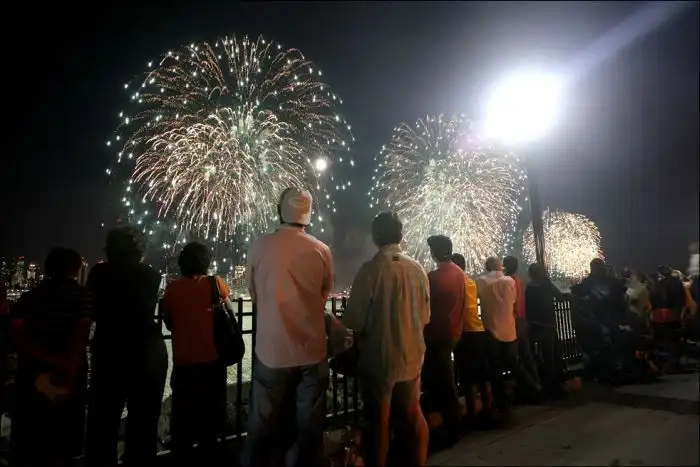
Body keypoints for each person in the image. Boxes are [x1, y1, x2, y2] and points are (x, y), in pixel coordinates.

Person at [240, 187, 333, 467]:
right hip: (312, 350)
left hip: (272, 351)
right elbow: (323, 296)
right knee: (309, 431)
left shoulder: (259, 246)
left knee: (261, 427)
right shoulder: (321, 250)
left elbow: (254, 294)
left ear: (279, 210)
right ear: (308, 214)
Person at [342, 212, 430, 467]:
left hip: (380, 356)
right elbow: (425, 316)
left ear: (376, 236)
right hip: (413, 354)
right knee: (413, 414)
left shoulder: (372, 269)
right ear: (400, 235)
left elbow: (354, 320)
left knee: (379, 421)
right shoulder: (417, 269)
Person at [85, 227, 168, 466]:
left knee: (103, 424)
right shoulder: (150, 274)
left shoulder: (99, 273)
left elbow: (92, 311)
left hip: (109, 351)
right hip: (148, 352)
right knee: (144, 425)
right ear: (140, 249)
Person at [10, 247, 92, 466]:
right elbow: (80, 335)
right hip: (68, 373)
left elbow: (16, 330)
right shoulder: (82, 296)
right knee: (65, 439)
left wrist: (41, 357)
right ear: (76, 269)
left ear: (48, 269)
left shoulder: (30, 297)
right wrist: (69, 374)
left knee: (32, 434)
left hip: (33, 372)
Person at [161, 242, 235, 464]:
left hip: (184, 366)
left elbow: (169, 323)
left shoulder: (172, 289)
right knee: (210, 424)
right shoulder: (216, 283)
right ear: (206, 262)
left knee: (182, 424)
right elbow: (230, 314)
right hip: (213, 364)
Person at [421, 235, 464, 446]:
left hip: (435, 335)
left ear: (435, 252)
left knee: (440, 383)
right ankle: (451, 425)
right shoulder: (459, 273)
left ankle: (450, 429)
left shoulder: (433, 277)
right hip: (453, 333)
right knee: (446, 381)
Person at [475, 257, 517, 423]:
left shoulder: (481, 281)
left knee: (495, 371)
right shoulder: (509, 281)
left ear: (486, 267)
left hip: (491, 332)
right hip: (510, 332)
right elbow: (513, 301)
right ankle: (513, 396)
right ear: (501, 267)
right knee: (512, 366)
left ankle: (500, 403)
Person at [451, 253, 490, 426]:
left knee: (467, 378)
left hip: (465, 332)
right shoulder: (471, 282)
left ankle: (472, 414)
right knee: (483, 376)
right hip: (479, 330)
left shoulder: (457, 284)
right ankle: (487, 411)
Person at [503, 256, 541, 402]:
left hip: (513, 323)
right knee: (527, 356)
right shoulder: (519, 281)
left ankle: (528, 388)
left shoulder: (507, 282)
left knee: (513, 359)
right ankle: (536, 386)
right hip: (523, 321)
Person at [525, 263, 565, 398]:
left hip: (534, 325)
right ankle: (553, 387)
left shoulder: (529, 287)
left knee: (537, 355)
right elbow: (559, 296)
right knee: (550, 356)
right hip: (548, 324)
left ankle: (540, 384)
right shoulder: (546, 285)